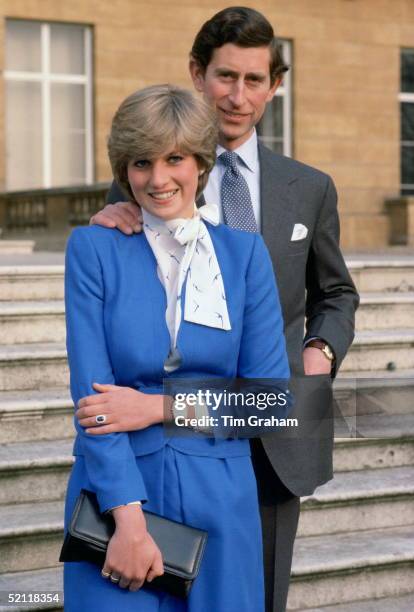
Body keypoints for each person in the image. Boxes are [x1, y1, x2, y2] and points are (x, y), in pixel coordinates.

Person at [89, 7, 359, 611]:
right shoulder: (151, 175)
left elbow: (336, 293)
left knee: (260, 596)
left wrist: (321, 351)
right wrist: (106, 224)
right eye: (224, 77)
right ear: (196, 74)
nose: (238, 97)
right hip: (171, 438)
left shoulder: (310, 187)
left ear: (275, 85)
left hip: (277, 418)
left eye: (254, 80)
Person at [64, 84, 290, 612]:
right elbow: (92, 400)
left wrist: (155, 408)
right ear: (124, 170)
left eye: (175, 159)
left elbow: (271, 403)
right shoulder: (94, 248)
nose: (159, 179)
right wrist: (129, 521)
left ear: (201, 163)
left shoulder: (244, 255)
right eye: (142, 162)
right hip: (114, 497)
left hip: (221, 502)